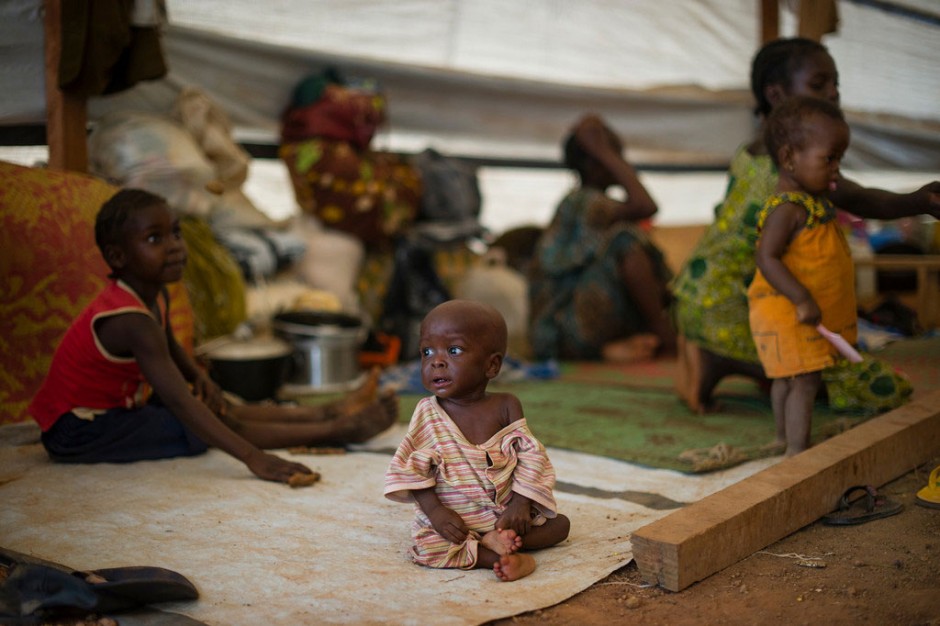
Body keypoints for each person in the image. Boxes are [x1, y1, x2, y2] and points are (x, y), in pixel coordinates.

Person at [29, 188, 398, 484]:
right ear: (118, 255)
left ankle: (330, 409)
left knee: (218, 405)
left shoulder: (149, 294)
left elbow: (169, 346)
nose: (175, 245)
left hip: (112, 411)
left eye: (175, 233)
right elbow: (180, 403)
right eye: (155, 238)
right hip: (78, 431)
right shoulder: (130, 319)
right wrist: (254, 459)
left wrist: (199, 377)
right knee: (204, 420)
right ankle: (337, 428)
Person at [671, 37, 940, 414]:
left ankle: (719, 356)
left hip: (698, 294)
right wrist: (918, 200)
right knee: (844, 377)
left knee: (801, 365)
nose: (832, 92)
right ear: (776, 94)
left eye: (836, 84)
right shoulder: (792, 172)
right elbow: (860, 199)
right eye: (818, 84)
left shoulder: (750, 153)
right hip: (728, 305)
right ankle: (719, 359)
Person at [384, 299, 570, 581]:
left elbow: (531, 456)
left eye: (454, 350)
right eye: (426, 351)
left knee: (560, 526)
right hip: (454, 521)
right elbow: (413, 469)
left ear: (492, 365)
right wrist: (436, 513)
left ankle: (499, 541)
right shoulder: (427, 413)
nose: (436, 361)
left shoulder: (507, 406)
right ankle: (496, 554)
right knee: (427, 547)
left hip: (507, 516)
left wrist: (520, 504)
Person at [748, 96, 854, 455]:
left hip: (792, 312)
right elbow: (766, 256)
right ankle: (797, 450)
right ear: (790, 158)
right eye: (830, 158)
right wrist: (802, 298)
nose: (837, 168)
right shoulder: (789, 207)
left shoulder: (812, 199)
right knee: (804, 380)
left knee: (785, 375)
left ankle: (783, 438)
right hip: (790, 311)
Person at [528, 114, 675, 363]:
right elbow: (645, 205)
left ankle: (643, 339)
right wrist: (603, 151)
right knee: (626, 241)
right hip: (562, 332)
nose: (623, 165)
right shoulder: (585, 201)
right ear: (594, 163)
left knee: (637, 248)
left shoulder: (589, 202)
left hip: (562, 334)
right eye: (617, 158)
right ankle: (664, 334)